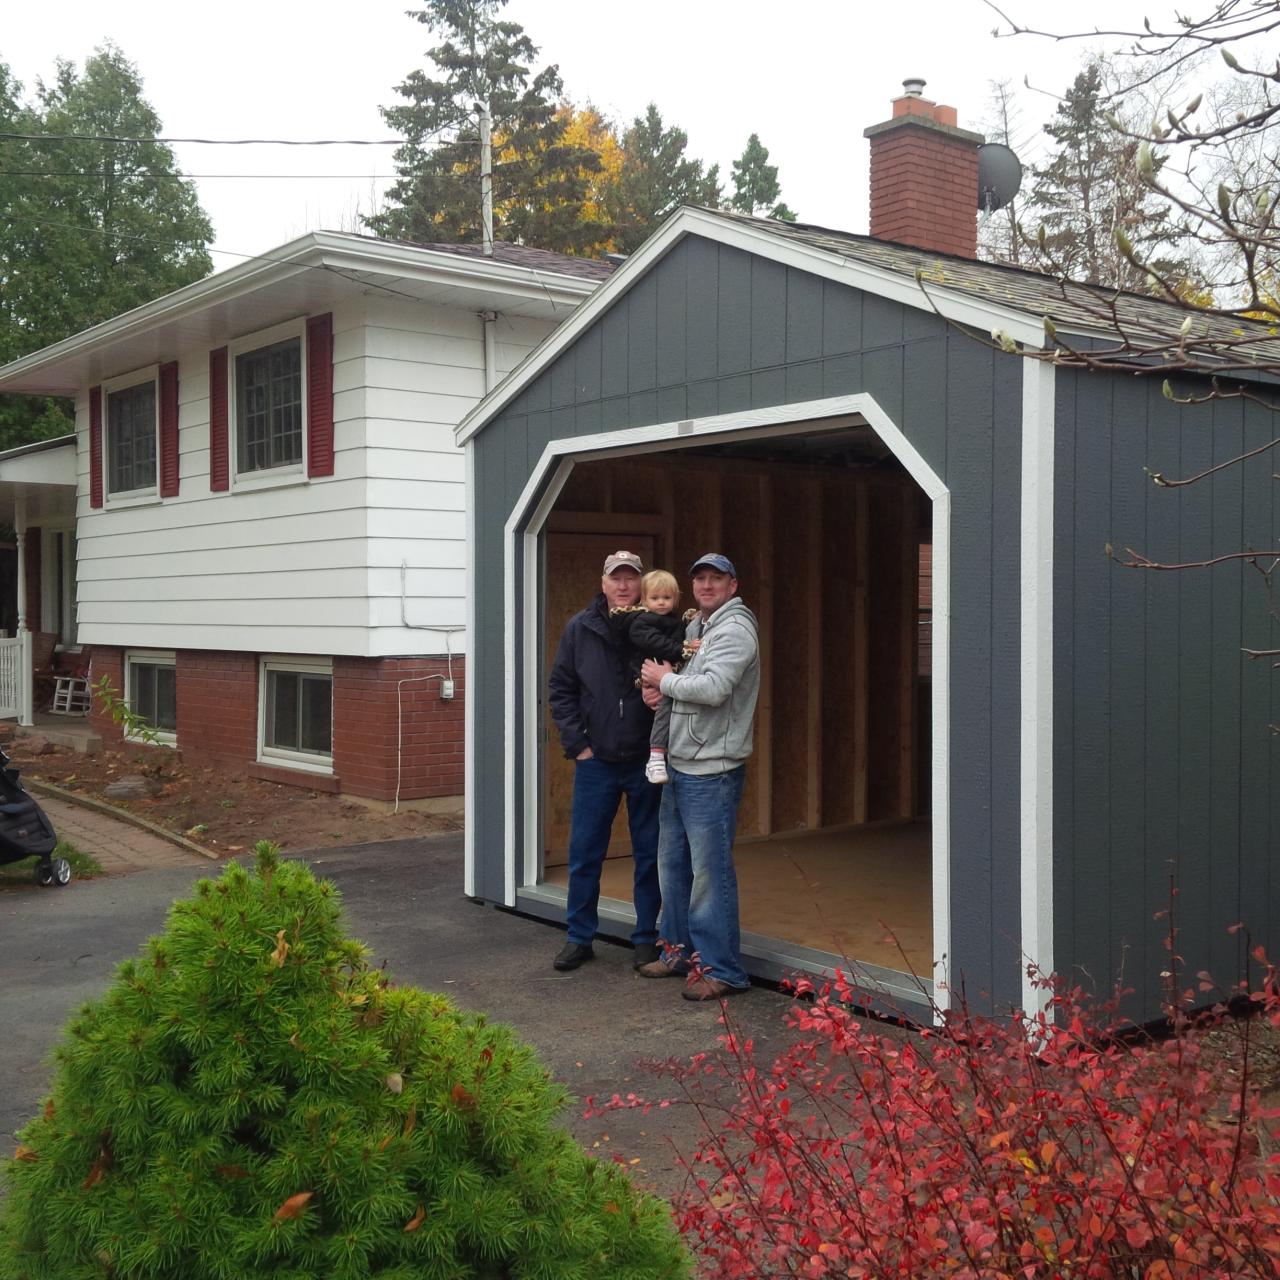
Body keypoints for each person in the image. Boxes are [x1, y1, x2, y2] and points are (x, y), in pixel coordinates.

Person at [637, 553, 760, 1001]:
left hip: (712, 770)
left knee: (710, 873)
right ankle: (677, 953)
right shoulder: (695, 626)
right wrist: (654, 690)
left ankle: (723, 970)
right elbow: (678, 678)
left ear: (733, 584)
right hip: (680, 762)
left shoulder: (735, 629)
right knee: (672, 865)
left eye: (716, 578)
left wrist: (665, 681)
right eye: (700, 578)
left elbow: (713, 688)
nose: (707, 585)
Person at [547, 550, 662, 973]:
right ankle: (579, 937)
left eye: (631, 578)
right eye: (616, 578)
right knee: (585, 853)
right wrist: (579, 745)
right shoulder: (580, 628)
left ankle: (646, 938)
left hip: (646, 761)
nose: (623, 585)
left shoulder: (656, 627)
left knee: (650, 854)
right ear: (603, 583)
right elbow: (561, 689)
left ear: (641, 584)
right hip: (597, 762)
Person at [608, 569, 699, 785]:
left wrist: (688, 622)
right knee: (665, 705)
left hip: (665, 669)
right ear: (644, 599)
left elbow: (673, 633)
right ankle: (656, 755)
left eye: (666, 598)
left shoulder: (666, 620)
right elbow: (656, 643)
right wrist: (683, 649)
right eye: (655, 598)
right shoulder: (640, 622)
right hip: (651, 671)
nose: (661, 602)